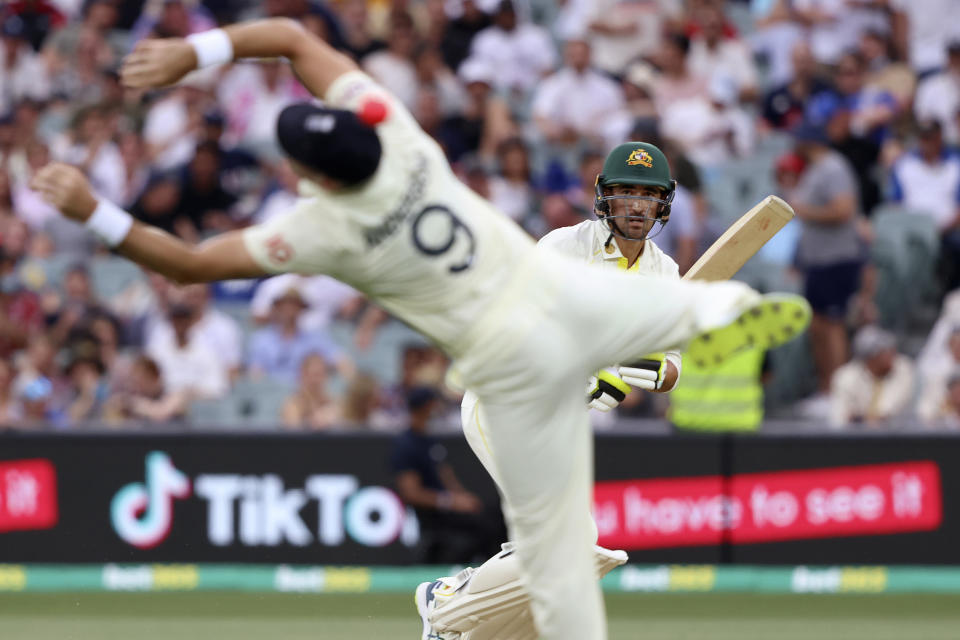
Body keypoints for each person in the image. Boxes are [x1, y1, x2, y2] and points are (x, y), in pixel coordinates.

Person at [33, 18, 809, 640]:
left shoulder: (322, 230)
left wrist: (93, 211)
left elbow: (190, 264)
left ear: (313, 180)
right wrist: (195, 51)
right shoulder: (402, 135)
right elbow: (300, 39)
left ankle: (470, 624)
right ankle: (445, 604)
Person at [423, 141, 685, 640]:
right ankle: (446, 601)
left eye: (646, 195)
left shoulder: (665, 273)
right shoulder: (563, 247)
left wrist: (649, 371)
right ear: (604, 197)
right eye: (625, 192)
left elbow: (671, 366)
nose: (635, 204)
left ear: (662, 203)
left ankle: (473, 626)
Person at [391, 385, 501, 564]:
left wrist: (462, 497)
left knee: (492, 515)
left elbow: (445, 475)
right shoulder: (406, 446)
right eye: (433, 403)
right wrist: (450, 501)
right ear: (425, 406)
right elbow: (411, 493)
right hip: (435, 515)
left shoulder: (429, 440)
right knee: (486, 525)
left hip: (448, 510)